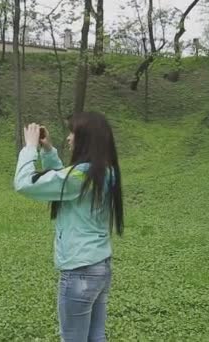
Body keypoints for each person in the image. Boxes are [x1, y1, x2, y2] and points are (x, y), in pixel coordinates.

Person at [13, 111, 124, 341]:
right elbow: (66, 182)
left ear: (86, 139)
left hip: (80, 272)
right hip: (100, 267)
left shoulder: (81, 177)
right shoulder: (103, 171)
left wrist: (30, 148)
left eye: (73, 133)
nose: (69, 138)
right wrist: (48, 150)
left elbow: (24, 184)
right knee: (96, 337)